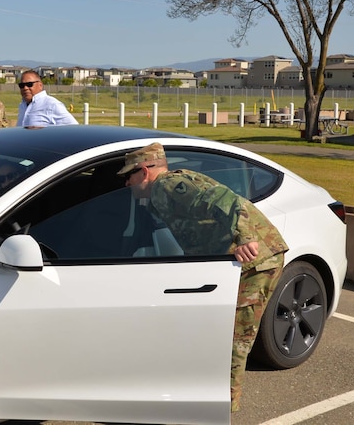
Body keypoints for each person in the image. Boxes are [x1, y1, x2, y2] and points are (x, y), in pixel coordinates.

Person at [117, 142, 288, 413]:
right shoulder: (159, 195)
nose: (127, 182)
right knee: (218, 336)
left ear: (144, 171)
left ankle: (223, 411)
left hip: (256, 261)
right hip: (234, 264)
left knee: (234, 340)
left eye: (129, 175)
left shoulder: (168, 186)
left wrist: (244, 237)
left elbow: (229, 201)